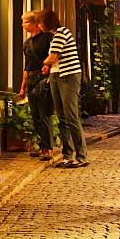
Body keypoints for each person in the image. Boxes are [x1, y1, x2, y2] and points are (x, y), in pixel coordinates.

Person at [37, 9, 89, 168]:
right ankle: (67, 155)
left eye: (40, 22)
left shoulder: (61, 32)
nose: (38, 25)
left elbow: (52, 57)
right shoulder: (54, 36)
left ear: (46, 22)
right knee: (62, 117)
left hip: (68, 76)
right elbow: (55, 59)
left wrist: (45, 63)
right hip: (56, 75)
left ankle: (81, 156)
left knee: (71, 115)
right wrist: (49, 67)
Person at [16, 11, 55, 160]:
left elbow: (55, 55)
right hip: (31, 78)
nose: (23, 25)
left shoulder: (46, 38)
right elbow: (27, 66)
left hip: (42, 77)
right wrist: (23, 86)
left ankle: (48, 148)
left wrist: (49, 70)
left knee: (44, 113)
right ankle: (42, 145)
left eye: (26, 22)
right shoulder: (27, 43)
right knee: (35, 115)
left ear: (35, 24)